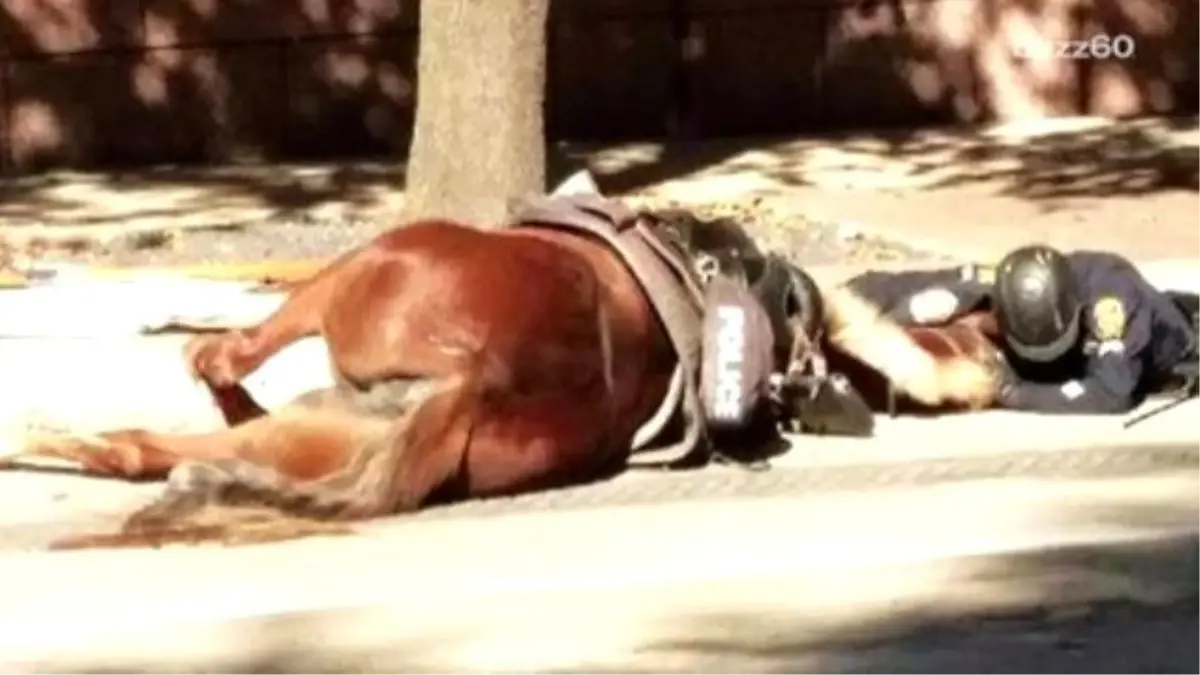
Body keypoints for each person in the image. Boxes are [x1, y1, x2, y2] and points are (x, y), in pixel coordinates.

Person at [847, 245, 1198, 414]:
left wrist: (1012, 393)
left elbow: (1113, 392)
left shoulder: (1114, 302)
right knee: (934, 302)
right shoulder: (1010, 277)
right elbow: (895, 284)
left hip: (1180, 342)